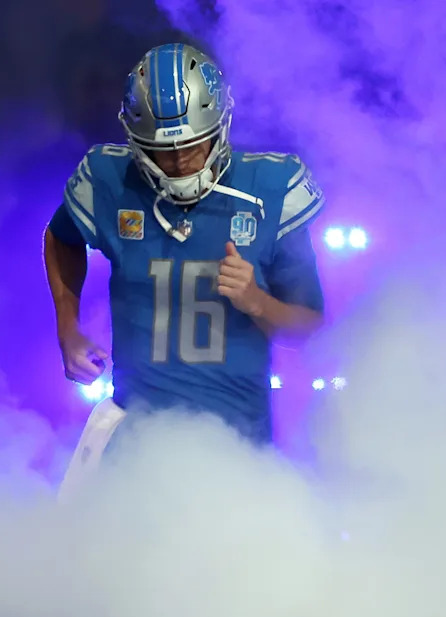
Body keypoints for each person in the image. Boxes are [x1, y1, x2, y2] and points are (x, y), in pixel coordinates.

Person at [43, 43, 326, 489]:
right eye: (161, 150)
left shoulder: (270, 189)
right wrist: (67, 326)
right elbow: (61, 237)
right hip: (136, 434)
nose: (176, 162)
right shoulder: (108, 179)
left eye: (192, 146)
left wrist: (255, 301)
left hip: (236, 443)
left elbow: (308, 329)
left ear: (221, 125)